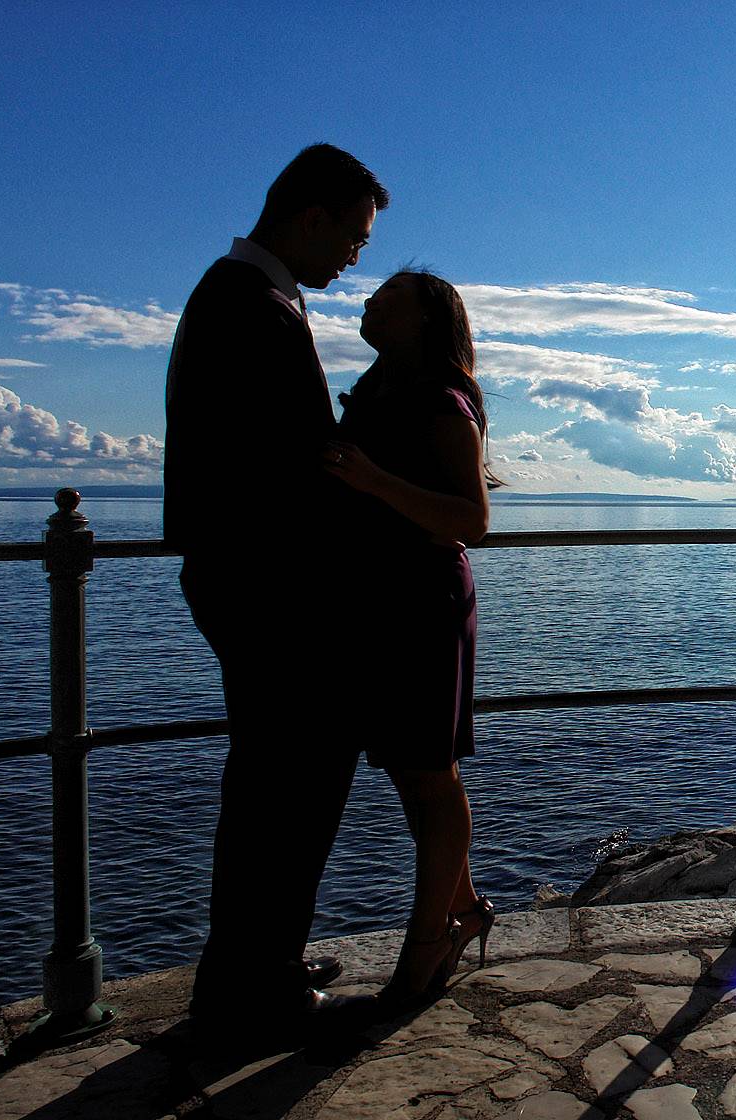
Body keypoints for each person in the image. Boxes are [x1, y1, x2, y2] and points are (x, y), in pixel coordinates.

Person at [164, 144, 387, 1037]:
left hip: (241, 573)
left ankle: (259, 962)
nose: (353, 258)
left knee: (276, 776)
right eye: (353, 238)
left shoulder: (233, 296)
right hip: (270, 583)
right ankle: (254, 987)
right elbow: (300, 460)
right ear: (310, 218)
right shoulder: (254, 307)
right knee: (291, 779)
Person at [324, 270, 495, 1006]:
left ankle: (428, 942)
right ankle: (462, 910)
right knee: (406, 768)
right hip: (378, 599)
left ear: (424, 317)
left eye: (384, 296)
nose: (367, 303)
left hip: (423, 598)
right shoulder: (376, 392)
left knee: (429, 771)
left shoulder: (441, 399)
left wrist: (371, 482)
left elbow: (471, 518)